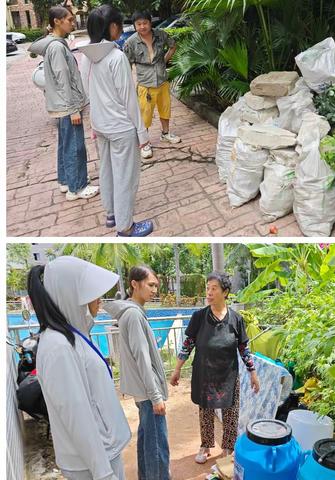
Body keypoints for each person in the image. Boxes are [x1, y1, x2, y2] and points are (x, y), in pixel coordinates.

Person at [26, 256, 131, 480]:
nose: (98, 299)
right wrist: (103, 473)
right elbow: (76, 416)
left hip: (101, 454)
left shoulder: (71, 337)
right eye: (91, 293)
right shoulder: (59, 347)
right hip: (93, 464)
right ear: (71, 295)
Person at [79, 5, 153, 237]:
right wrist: (142, 134)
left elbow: (87, 93)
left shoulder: (86, 58)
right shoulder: (116, 57)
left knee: (107, 170)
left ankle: (111, 214)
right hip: (121, 127)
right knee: (125, 177)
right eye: (120, 25)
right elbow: (129, 99)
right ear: (112, 27)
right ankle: (125, 226)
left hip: (101, 126)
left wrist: (94, 123)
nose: (121, 29)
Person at [170, 272, 260, 464]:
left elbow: (244, 348)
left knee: (231, 411)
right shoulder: (199, 317)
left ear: (225, 292)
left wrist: (253, 373)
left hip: (229, 374)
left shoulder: (236, 319)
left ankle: (228, 447)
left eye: (214, 288)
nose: (209, 293)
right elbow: (188, 344)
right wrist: (177, 369)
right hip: (204, 374)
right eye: (207, 288)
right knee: (206, 411)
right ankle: (206, 445)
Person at [103, 266, 170, 480]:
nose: (154, 290)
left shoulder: (132, 313)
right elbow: (143, 358)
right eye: (150, 285)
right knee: (157, 448)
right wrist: (156, 396)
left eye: (156, 286)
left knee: (147, 441)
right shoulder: (133, 315)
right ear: (134, 284)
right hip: (149, 394)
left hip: (144, 393)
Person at [28, 7, 99, 201]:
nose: (73, 22)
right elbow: (63, 79)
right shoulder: (57, 47)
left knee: (65, 144)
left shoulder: (54, 44)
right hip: (67, 106)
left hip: (61, 105)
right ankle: (77, 187)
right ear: (57, 21)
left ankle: (66, 181)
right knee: (75, 146)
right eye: (69, 19)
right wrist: (73, 109)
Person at [124, 10, 181, 160]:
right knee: (145, 115)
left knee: (165, 109)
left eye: (145, 23)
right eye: (139, 24)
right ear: (135, 25)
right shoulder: (131, 42)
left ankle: (165, 133)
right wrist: (128, 84)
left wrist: (165, 60)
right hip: (145, 84)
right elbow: (127, 64)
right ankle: (144, 142)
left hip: (162, 79)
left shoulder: (160, 34)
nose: (142, 26)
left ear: (150, 22)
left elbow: (173, 46)